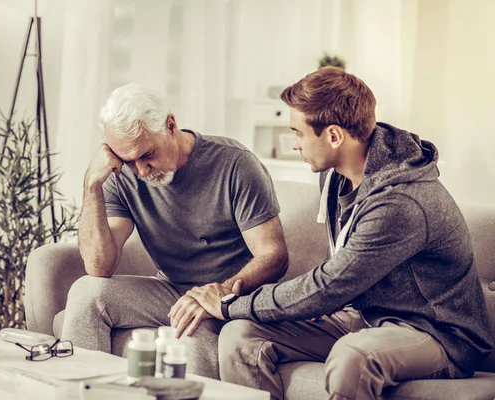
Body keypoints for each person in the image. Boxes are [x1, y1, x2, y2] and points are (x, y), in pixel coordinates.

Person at [187, 67, 493, 398]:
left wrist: (231, 303)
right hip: (364, 316)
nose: (295, 145)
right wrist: (237, 313)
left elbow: (329, 285)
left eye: (299, 133)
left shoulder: (401, 202)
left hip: (437, 334)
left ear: (334, 136)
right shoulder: (335, 176)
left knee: (353, 357)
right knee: (241, 336)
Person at [61, 83, 289, 379]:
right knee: (85, 292)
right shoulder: (121, 176)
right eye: (129, 162)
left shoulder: (235, 164)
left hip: (231, 298)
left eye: (147, 155)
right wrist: (92, 185)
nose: (141, 171)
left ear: (170, 126)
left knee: (189, 336)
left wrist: (217, 294)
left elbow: (274, 255)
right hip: (171, 290)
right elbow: (98, 266)